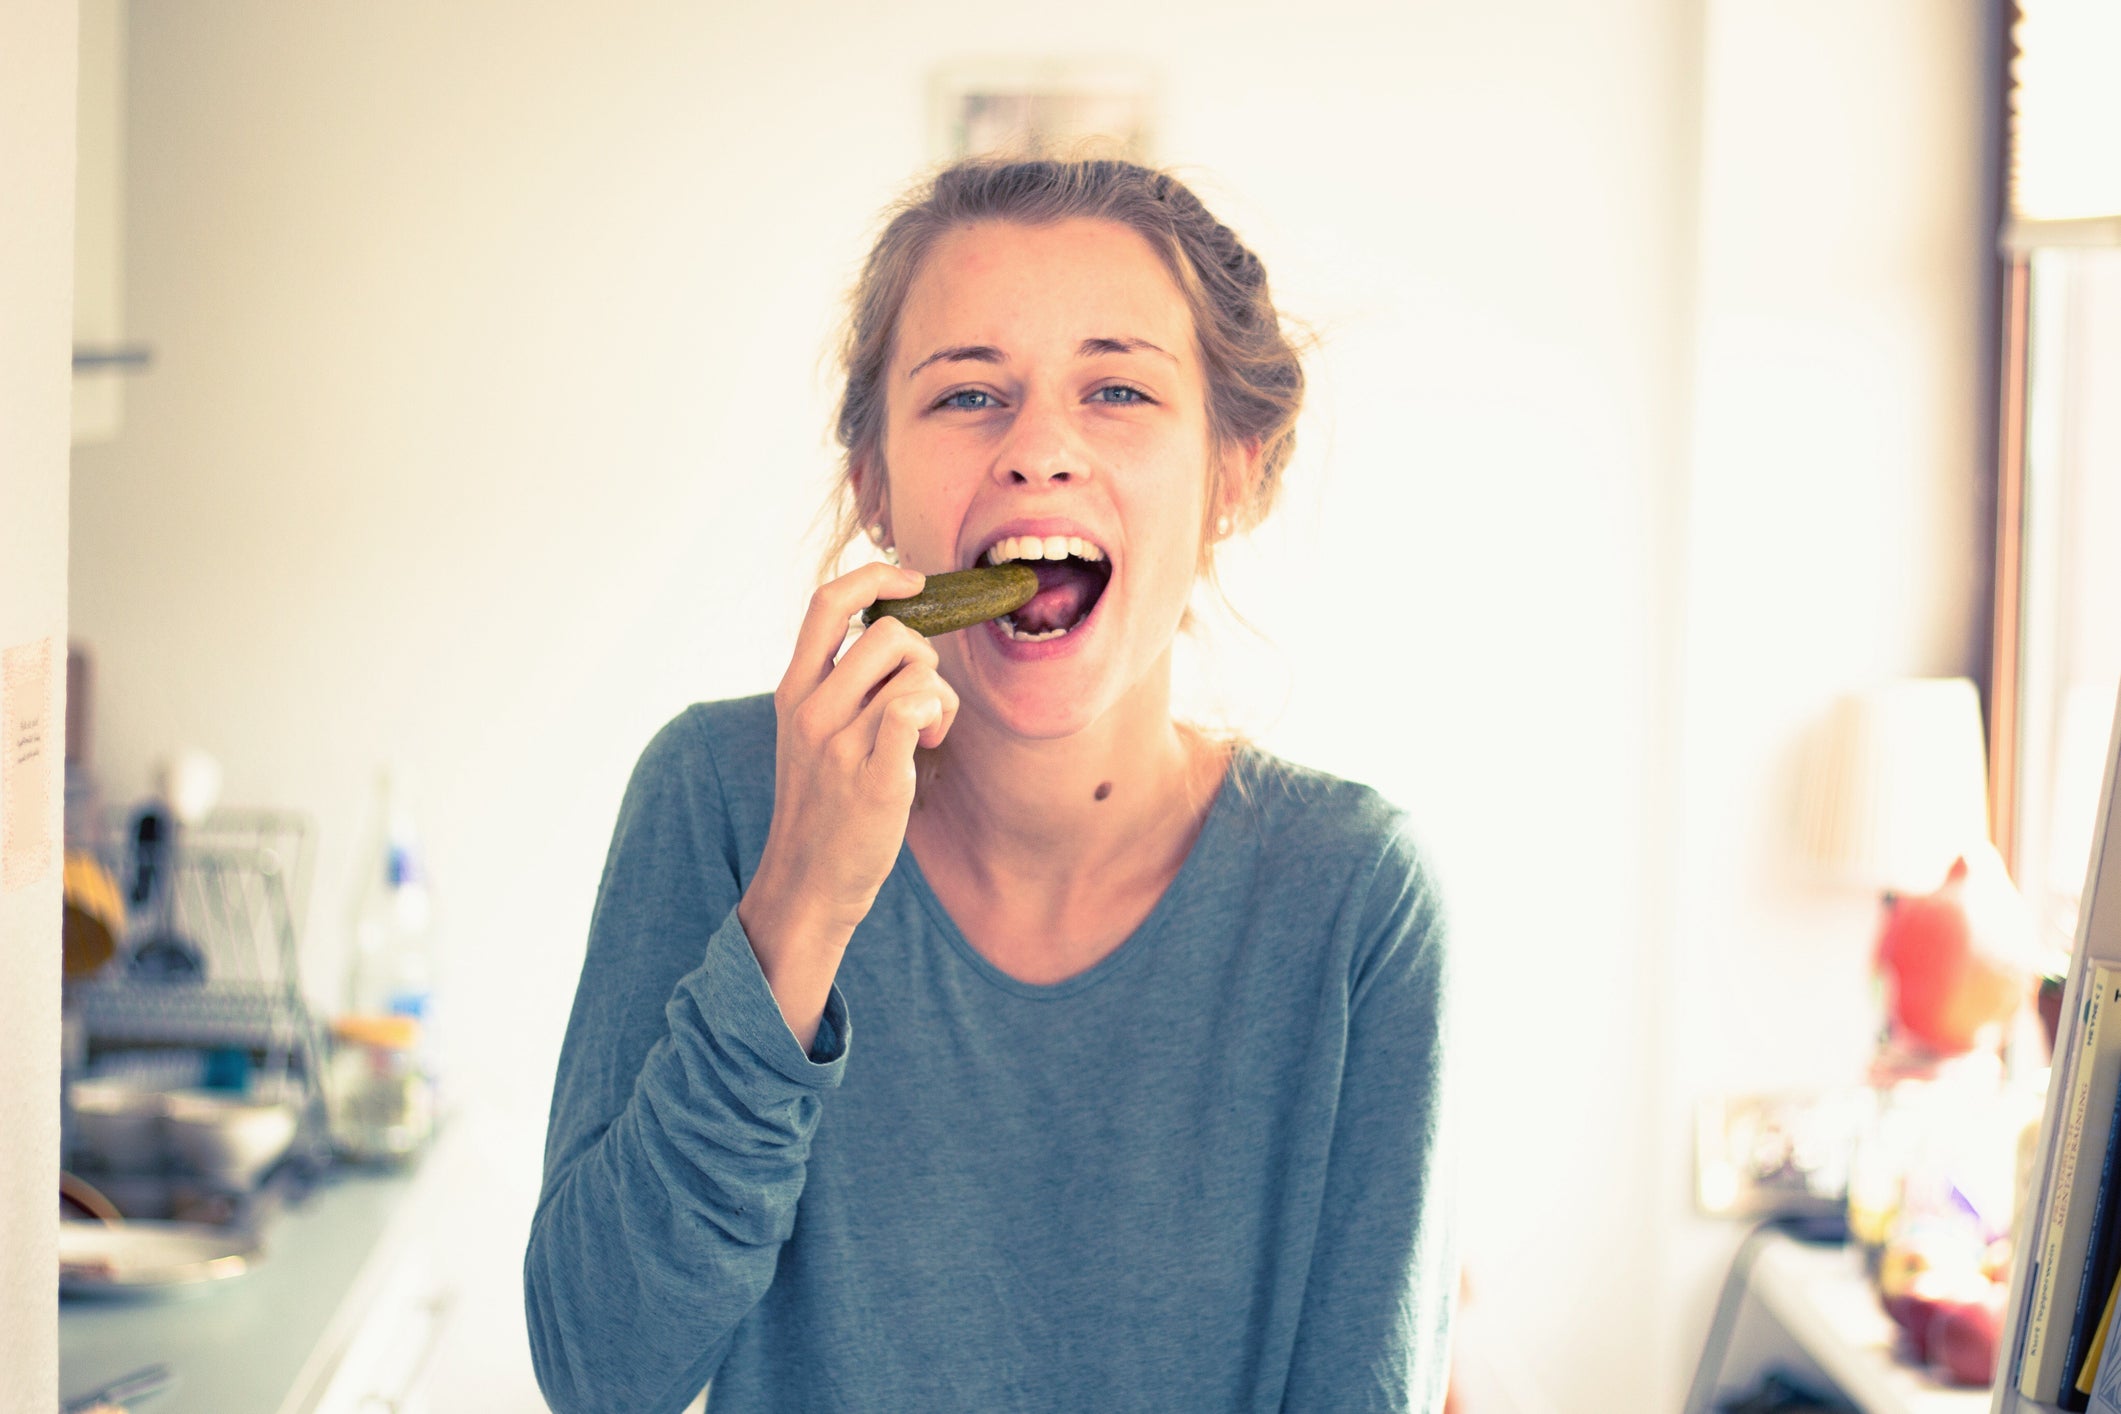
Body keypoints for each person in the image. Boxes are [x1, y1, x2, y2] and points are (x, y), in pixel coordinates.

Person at [525, 157, 1455, 1412]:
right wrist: (797, 902)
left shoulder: (1357, 900)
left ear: (1235, 474)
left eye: (1117, 388)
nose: (1039, 452)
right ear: (875, 483)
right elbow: (600, 1372)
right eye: (969, 394)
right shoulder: (719, 798)